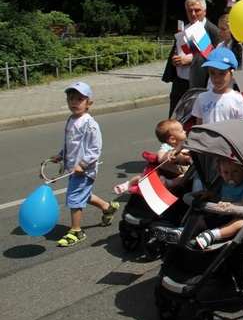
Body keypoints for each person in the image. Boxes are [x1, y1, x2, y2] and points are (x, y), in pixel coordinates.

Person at [49, 82, 119, 247]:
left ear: (89, 103)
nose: (74, 102)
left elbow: (95, 148)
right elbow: (71, 144)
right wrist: (61, 155)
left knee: (74, 197)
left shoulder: (90, 124)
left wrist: (83, 163)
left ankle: (76, 231)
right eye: (71, 98)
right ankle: (108, 207)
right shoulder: (71, 120)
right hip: (73, 168)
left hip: (85, 169)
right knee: (83, 195)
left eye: (79, 99)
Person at [162, 0, 220, 116]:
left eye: (197, 10)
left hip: (198, 84)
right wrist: (175, 57)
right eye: (190, 10)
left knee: (193, 121)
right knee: (173, 121)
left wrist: (190, 60)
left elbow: (214, 57)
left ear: (204, 11)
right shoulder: (184, 28)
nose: (193, 14)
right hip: (179, 84)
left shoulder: (211, 30)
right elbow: (177, 49)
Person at [114, 119, 190, 195]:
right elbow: (160, 157)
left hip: (181, 172)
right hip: (164, 175)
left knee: (186, 177)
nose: (185, 131)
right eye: (181, 131)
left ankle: (172, 186)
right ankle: (128, 184)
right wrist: (174, 157)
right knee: (141, 179)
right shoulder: (167, 147)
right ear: (172, 139)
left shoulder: (188, 144)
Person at [191, 48, 243, 125]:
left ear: (232, 74)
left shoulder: (239, 100)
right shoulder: (201, 97)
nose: (217, 78)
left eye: (222, 73)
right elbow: (198, 126)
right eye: (212, 73)